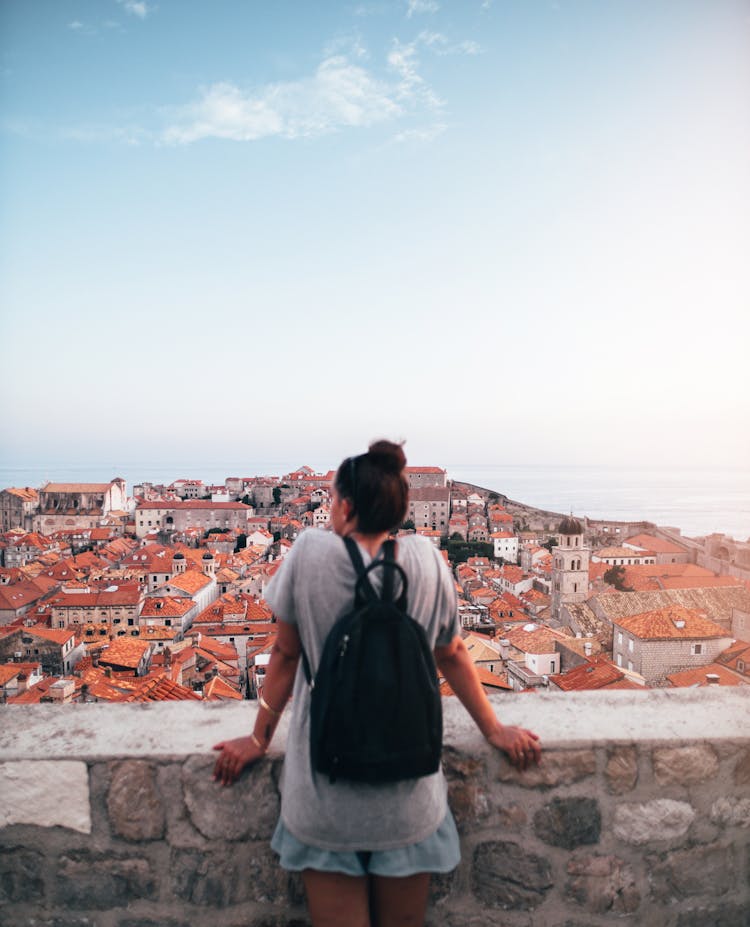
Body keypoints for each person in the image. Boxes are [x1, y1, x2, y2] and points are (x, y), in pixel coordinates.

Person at [213, 441, 541, 927]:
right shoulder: (427, 560)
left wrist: (259, 737)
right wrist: (493, 730)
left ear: (344, 506)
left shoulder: (309, 554)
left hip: (325, 794)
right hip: (407, 795)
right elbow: (451, 653)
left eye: (329, 499)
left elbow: (285, 653)